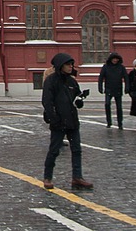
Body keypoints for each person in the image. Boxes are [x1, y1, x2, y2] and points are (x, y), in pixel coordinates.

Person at [41, 52, 92, 191]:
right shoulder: (51, 81)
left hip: (72, 121)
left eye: (72, 65)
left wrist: (80, 100)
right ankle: (48, 177)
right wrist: (53, 118)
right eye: (68, 65)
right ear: (60, 66)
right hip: (58, 122)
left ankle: (77, 177)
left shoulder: (72, 81)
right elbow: (47, 101)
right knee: (54, 150)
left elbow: (76, 99)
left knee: (76, 150)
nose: (71, 67)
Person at [97, 52, 126, 128]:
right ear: (111, 59)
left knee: (119, 107)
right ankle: (109, 122)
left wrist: (127, 88)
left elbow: (126, 78)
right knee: (107, 105)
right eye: (114, 59)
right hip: (109, 89)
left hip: (118, 89)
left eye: (116, 59)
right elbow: (101, 77)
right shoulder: (106, 67)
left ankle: (120, 123)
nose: (115, 60)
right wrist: (100, 87)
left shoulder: (121, 67)